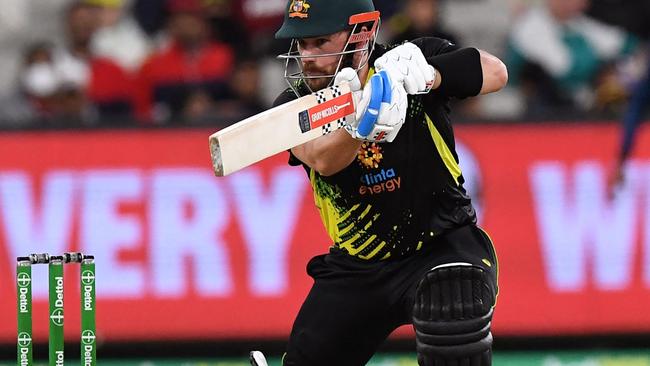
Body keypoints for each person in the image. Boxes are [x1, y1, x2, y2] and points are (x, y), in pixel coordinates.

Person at [251, 0, 507, 365]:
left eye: (320, 42)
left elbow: (496, 73)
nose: (307, 56)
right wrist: (362, 124)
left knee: (454, 313)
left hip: (442, 246)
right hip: (358, 266)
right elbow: (324, 160)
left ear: (362, 33)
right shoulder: (294, 102)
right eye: (301, 44)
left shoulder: (411, 57)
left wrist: (429, 75)